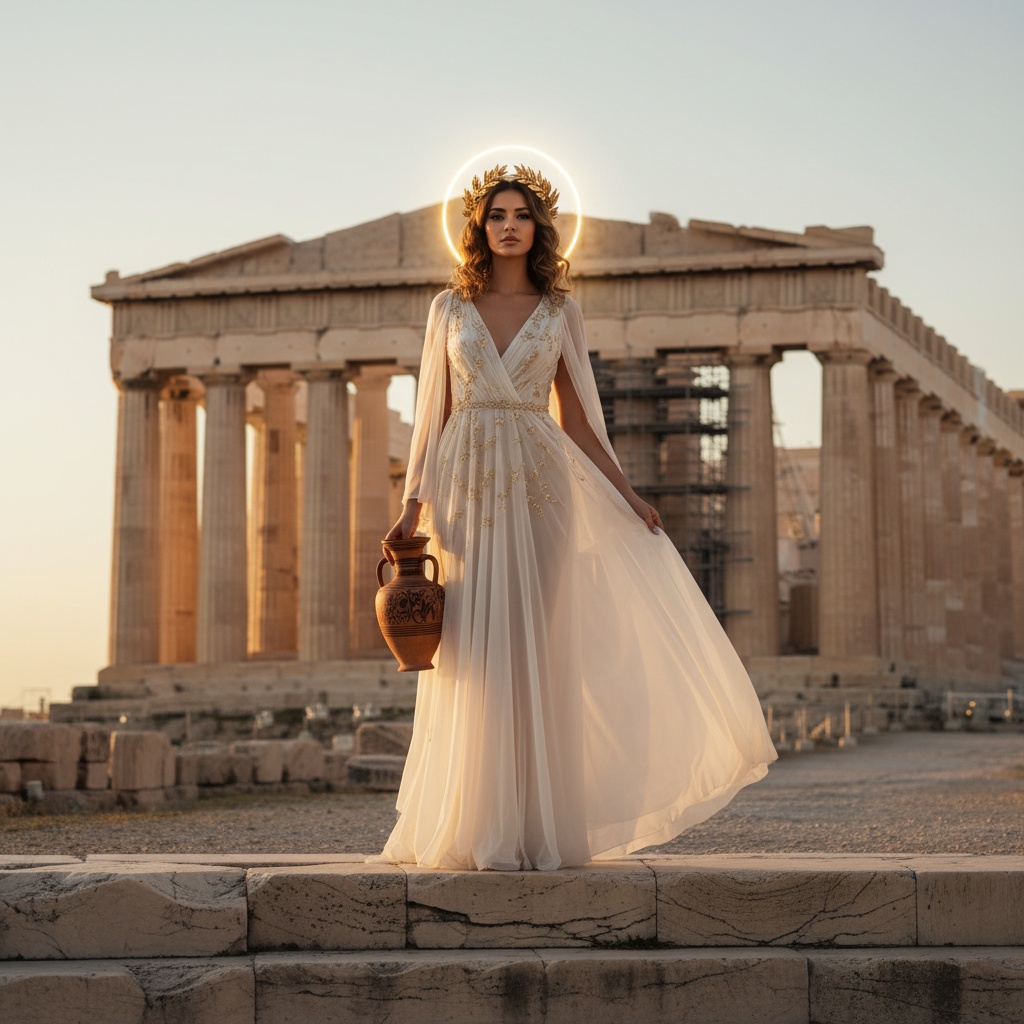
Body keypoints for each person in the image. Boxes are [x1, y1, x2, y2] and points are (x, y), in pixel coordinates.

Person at [379, 165, 776, 871]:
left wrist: (628, 494)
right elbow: (431, 417)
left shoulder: (560, 311)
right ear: (478, 226)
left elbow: (582, 421)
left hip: (541, 486)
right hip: (466, 486)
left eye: (521, 215)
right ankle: (474, 824)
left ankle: (536, 829)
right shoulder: (448, 309)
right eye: (496, 214)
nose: (508, 224)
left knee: (539, 649)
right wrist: (412, 507)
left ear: (538, 229)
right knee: (473, 654)